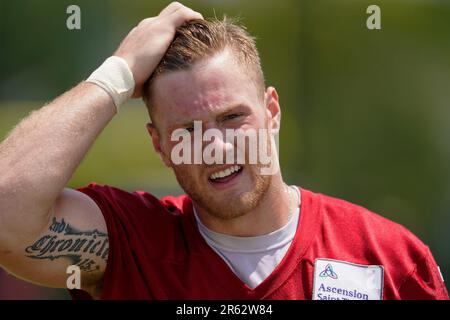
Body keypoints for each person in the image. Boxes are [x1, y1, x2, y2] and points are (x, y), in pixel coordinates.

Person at [0, 2, 447, 300]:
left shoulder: (389, 259)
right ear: (160, 144)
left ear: (272, 110)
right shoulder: (135, 245)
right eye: (189, 130)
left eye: (233, 117)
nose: (215, 145)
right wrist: (117, 74)